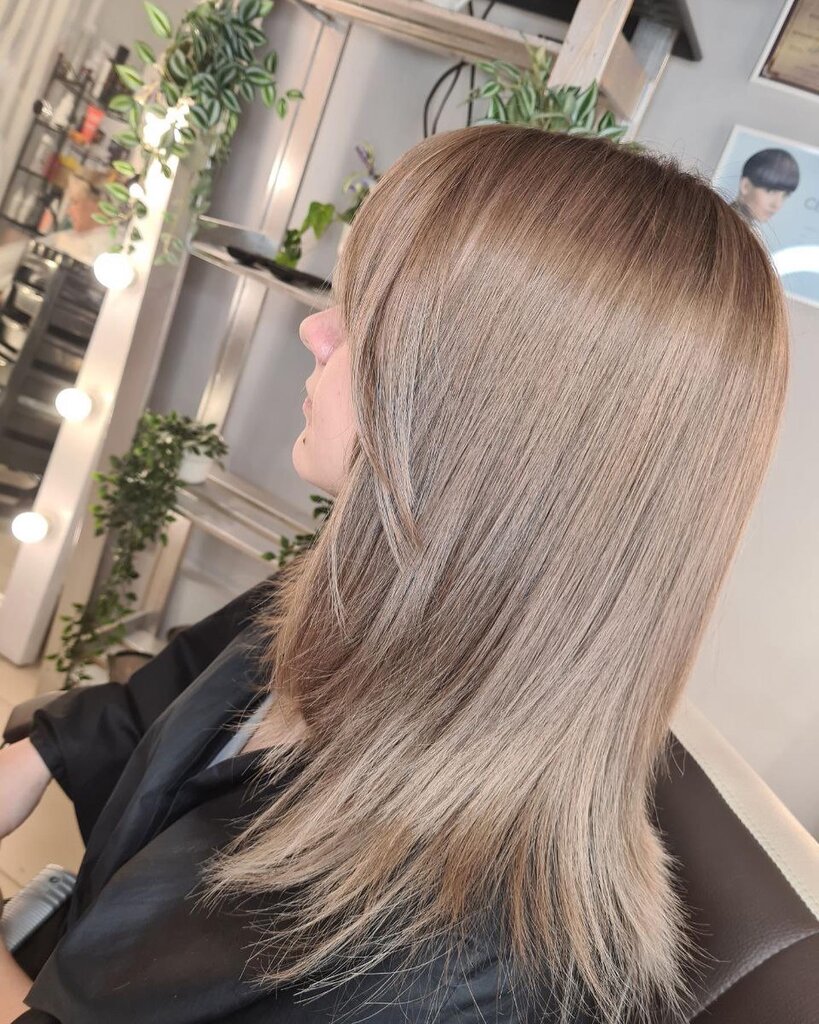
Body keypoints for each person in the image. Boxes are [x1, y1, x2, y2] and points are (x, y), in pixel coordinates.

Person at [0, 124, 790, 1023]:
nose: (314, 329)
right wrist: (38, 755)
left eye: (366, 314)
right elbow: (176, 698)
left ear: (480, 409)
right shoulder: (361, 596)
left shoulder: (452, 969)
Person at [0, 171, 111, 301]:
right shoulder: (65, 237)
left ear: (95, 203)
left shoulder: (110, 238)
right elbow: (21, 255)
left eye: (74, 202)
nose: (69, 211)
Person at [728, 147, 800, 225]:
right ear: (745, 186)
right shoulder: (724, 223)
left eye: (785, 195)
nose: (776, 205)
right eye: (771, 191)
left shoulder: (740, 225)